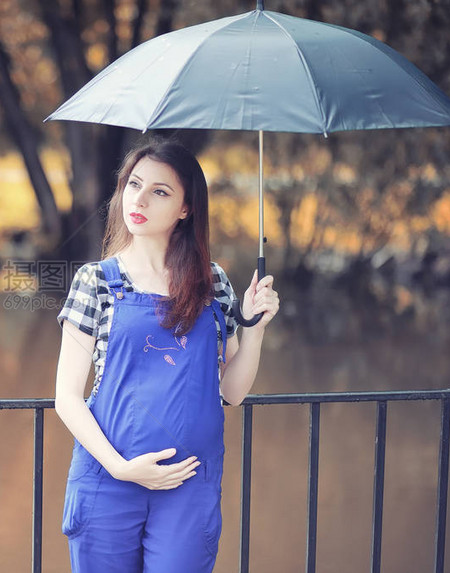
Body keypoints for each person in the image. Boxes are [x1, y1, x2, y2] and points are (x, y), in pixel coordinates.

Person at [54, 137, 280, 572]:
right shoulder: (96, 280)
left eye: (160, 191)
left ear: (185, 208)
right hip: (108, 479)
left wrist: (254, 331)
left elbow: (231, 393)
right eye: (134, 184)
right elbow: (66, 396)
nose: (138, 199)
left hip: (188, 485)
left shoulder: (211, 282)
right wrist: (121, 468)